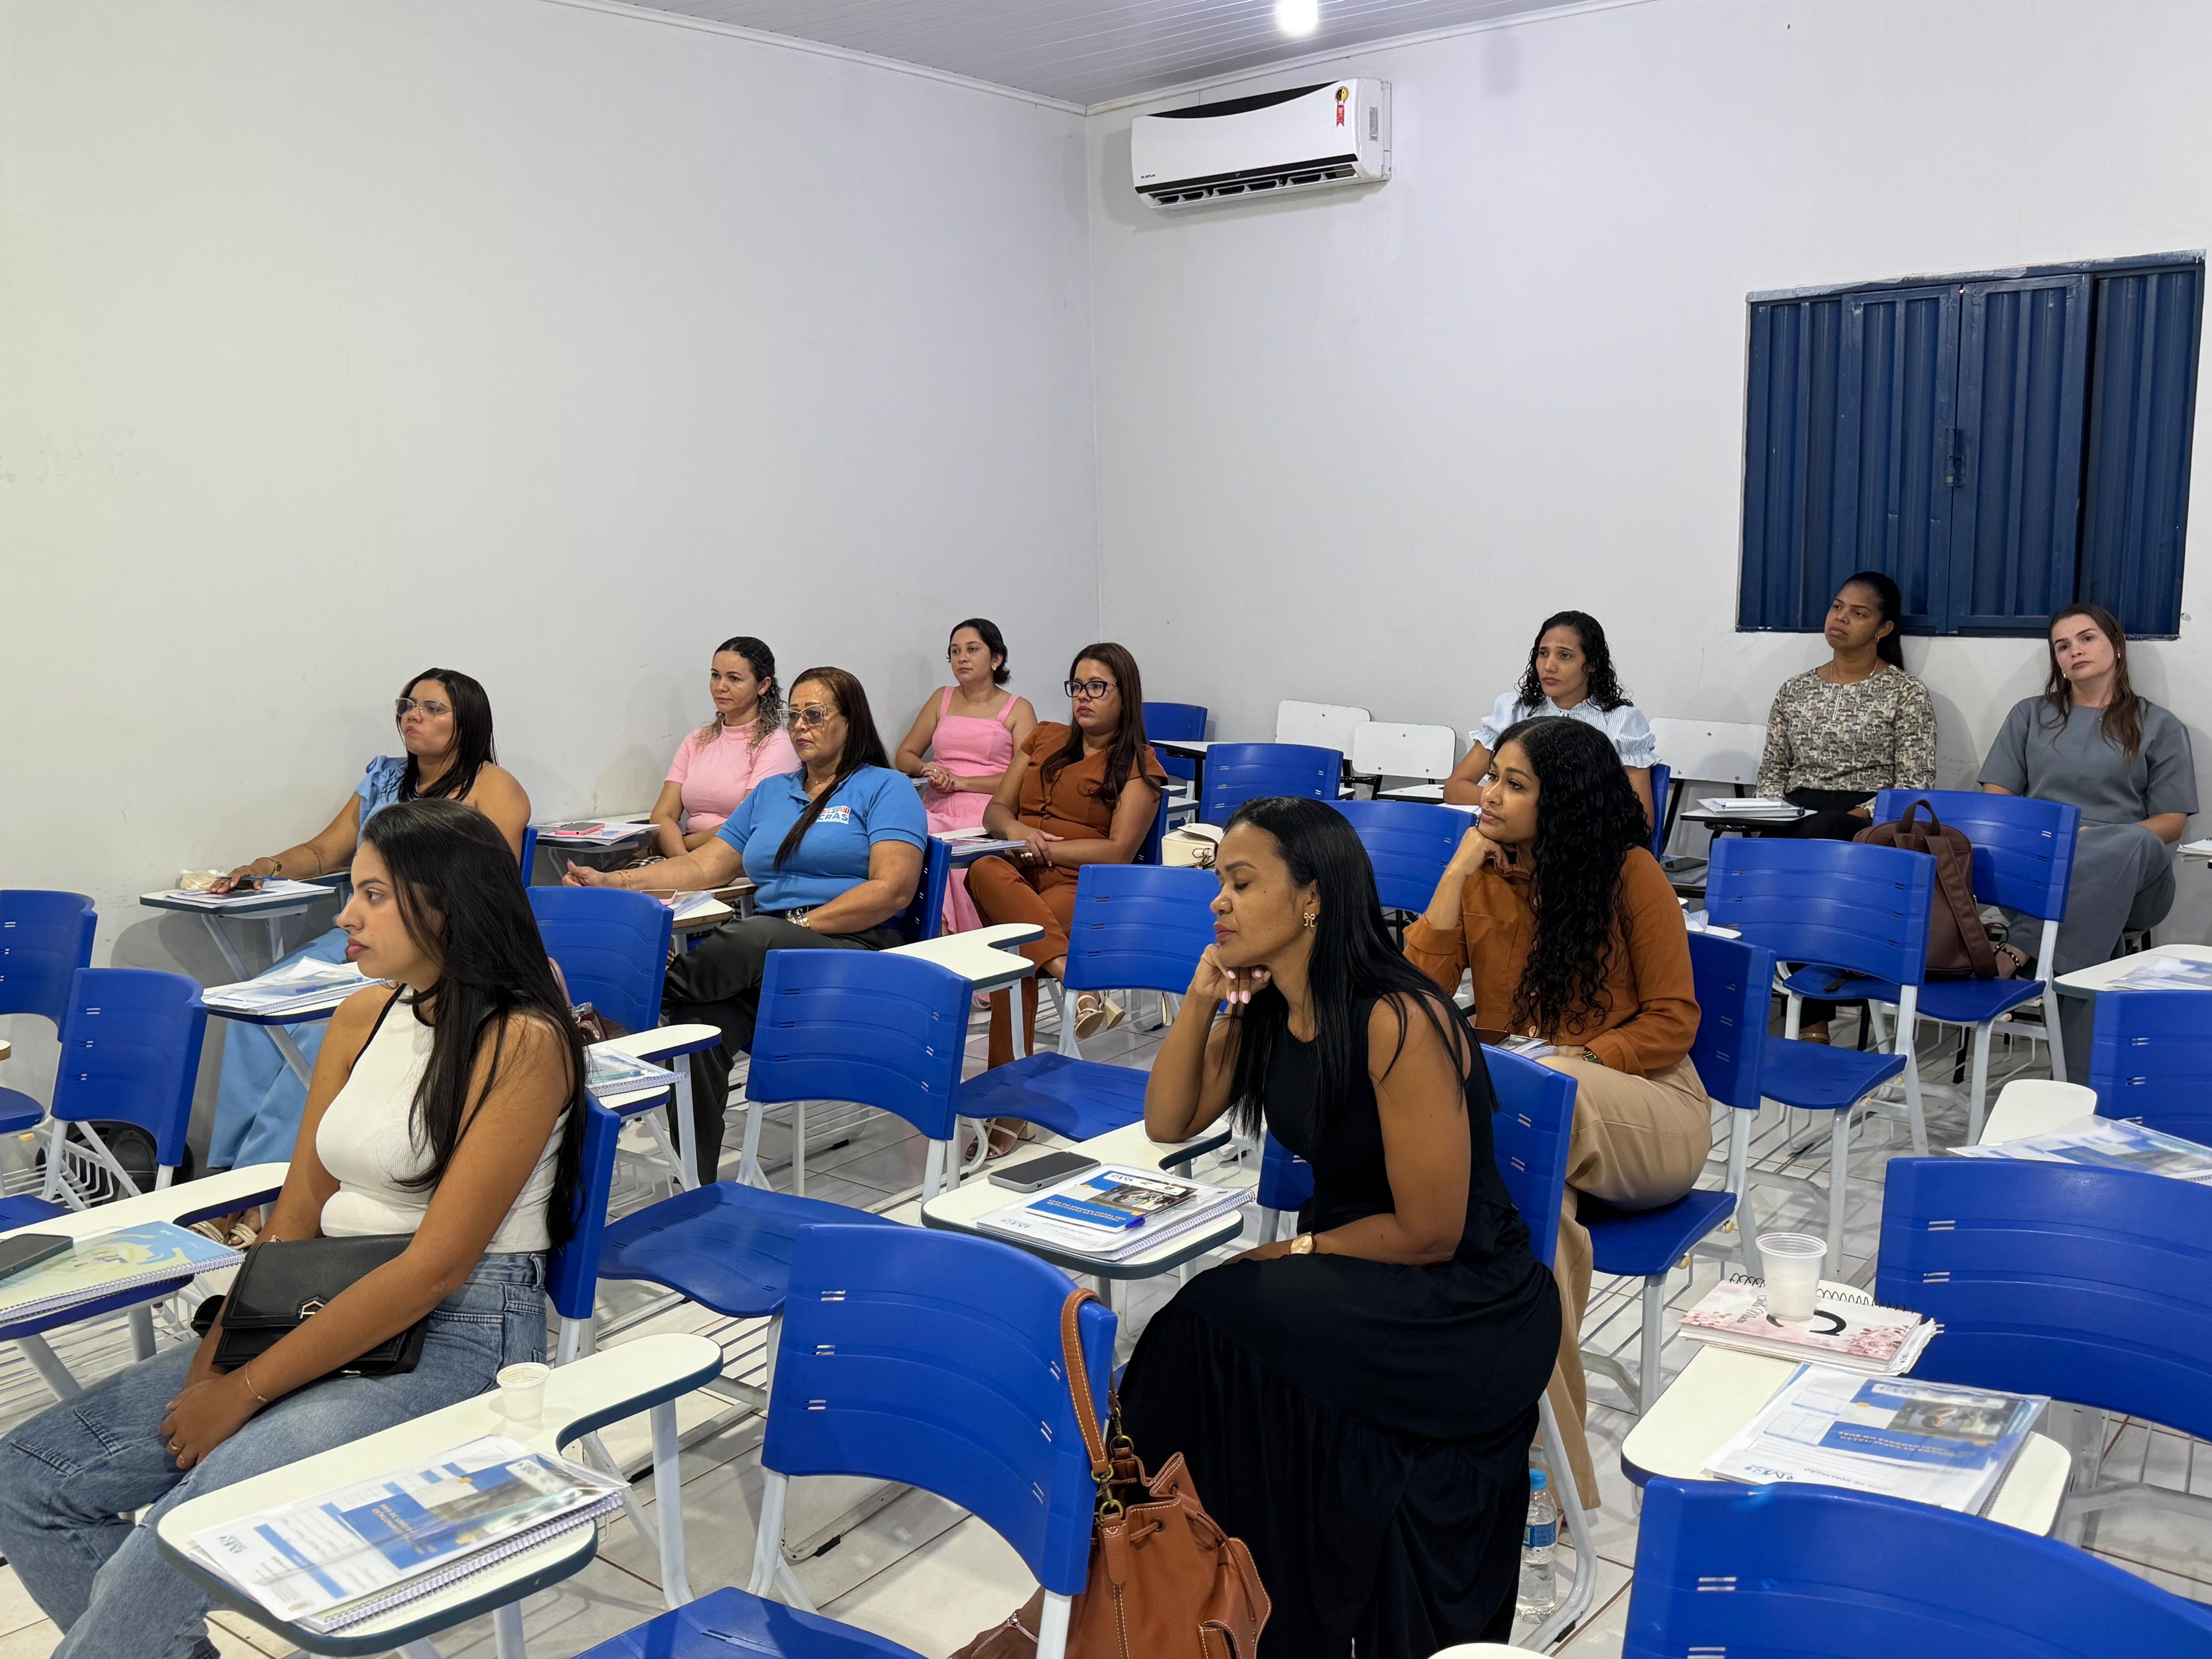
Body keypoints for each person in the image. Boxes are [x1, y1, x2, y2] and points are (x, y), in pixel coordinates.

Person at [0, 799, 585, 1659]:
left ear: (448, 907)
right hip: (321, 1295)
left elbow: (434, 1269)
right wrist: (217, 1359)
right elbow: (296, 1220)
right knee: (27, 1478)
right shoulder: (362, 1016)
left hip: (458, 1331)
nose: (346, 916)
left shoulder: (523, 1043)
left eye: (374, 896)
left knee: (176, 1537)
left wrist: (244, 1391)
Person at [1120, 797, 1557, 1657]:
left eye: (1243, 883)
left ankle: (1158, 1564)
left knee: (1207, 1316)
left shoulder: (1398, 1017)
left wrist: (1298, 1249)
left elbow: (1433, 1231)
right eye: (1219, 883)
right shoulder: (1272, 1007)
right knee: (1208, 1328)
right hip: (1353, 1274)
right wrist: (1204, 998)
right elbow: (1169, 1121)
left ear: (1314, 897)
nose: (1219, 901)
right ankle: (1173, 1577)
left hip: (1462, 1297)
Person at [1407, 716, 1708, 1513]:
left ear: (1563, 800)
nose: (1488, 795)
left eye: (1514, 784)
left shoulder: (1630, 873)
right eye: (1490, 777)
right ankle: (1550, 1478)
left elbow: (1674, 1019)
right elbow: (1415, 1001)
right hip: (1534, 1126)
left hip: (1647, 1106)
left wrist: (1580, 1059)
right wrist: (1454, 875)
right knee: (1537, 1235)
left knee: (1530, 1107)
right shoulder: (1482, 873)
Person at [564, 667, 924, 1178]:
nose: (800, 727)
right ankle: (695, 1182)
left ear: (852, 721)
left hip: (855, 952)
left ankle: (629, 1007)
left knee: (755, 932)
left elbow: (893, 889)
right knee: (696, 1030)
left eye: (815, 715)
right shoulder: (773, 793)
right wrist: (615, 882)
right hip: (769, 962)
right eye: (793, 716)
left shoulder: (885, 788)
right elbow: (704, 867)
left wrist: (801, 923)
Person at [205, 669, 532, 1179]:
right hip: (358, 934)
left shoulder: (494, 788)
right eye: (408, 705)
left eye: (432, 708)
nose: (413, 716)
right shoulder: (384, 778)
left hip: (429, 946)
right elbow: (324, 851)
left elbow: (489, 889)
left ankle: (267, 1186)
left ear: (467, 722)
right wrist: (265, 866)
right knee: (255, 1007)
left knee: (316, 1032)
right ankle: (228, 1177)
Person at [1982, 604, 2197, 1076]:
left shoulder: (2160, 725)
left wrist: (2094, 841)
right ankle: (2080, 1081)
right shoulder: (2030, 716)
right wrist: (2057, 841)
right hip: (2038, 872)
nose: (2075, 651)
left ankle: (2020, 947)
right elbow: (1998, 804)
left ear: (2116, 646)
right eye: (2063, 646)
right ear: (2056, 660)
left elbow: (2172, 822)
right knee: (2093, 926)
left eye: (2087, 638)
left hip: (2133, 879)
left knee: (2128, 843)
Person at [967, 643, 1168, 1095]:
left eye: (1097, 687)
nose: (1083, 697)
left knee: (1012, 956)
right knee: (983, 868)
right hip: (1016, 879)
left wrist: (1044, 850)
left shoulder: (1139, 764)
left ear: (1125, 695)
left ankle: (1008, 1106)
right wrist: (1018, 831)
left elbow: (1119, 852)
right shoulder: (1044, 737)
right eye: (1077, 686)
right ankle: (1071, 975)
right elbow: (995, 810)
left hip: (1082, 887)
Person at [1750, 572, 1940, 1041]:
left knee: (1822, 835)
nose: (1841, 618)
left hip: (1862, 820)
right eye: (1838, 607)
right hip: (1796, 814)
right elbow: (1774, 770)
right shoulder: (1795, 690)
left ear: (1883, 629)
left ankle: (1811, 1017)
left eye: (1859, 613)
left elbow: (1915, 782)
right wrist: (1768, 810)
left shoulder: (1905, 694)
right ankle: (1748, 1000)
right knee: (1745, 852)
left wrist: (1864, 814)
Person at [1443, 611, 1657, 822]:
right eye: (1543, 654)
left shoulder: (1622, 722)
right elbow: (1456, 788)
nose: (1549, 666)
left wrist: (1550, 815)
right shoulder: (1514, 710)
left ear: (1592, 664)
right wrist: (1520, 806)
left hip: (1585, 839)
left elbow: (1641, 818)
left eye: (1565, 655)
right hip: (1512, 838)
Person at [893, 619, 1036, 932]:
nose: (962, 659)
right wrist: (927, 768)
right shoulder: (941, 698)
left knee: (942, 852)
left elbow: (1025, 777)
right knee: (908, 833)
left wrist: (963, 783)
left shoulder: (1018, 709)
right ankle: (927, 933)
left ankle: (950, 933)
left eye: (972, 650)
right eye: (955, 652)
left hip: (987, 810)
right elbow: (905, 755)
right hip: (936, 804)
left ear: (996, 658)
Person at [647, 636, 800, 859]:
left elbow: (747, 823)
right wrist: (682, 860)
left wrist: (684, 851)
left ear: (763, 685)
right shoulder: (696, 740)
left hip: (735, 859)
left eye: (734, 679)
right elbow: (663, 815)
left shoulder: (776, 744)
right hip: (684, 855)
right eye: (715, 675)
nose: (720, 687)